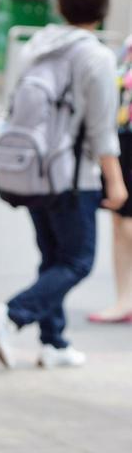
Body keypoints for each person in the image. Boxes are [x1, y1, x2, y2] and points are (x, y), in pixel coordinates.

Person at [0, 0, 127, 370]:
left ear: (61, 4)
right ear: (101, 9)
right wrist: (114, 183)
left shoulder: (35, 46)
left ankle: (54, 342)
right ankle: (12, 314)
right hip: (72, 177)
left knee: (53, 258)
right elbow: (101, 129)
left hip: (32, 168)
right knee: (77, 261)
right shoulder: (95, 56)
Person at [88, 33, 132, 323]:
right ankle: (124, 301)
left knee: (128, 224)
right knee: (119, 221)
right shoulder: (129, 42)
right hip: (123, 135)